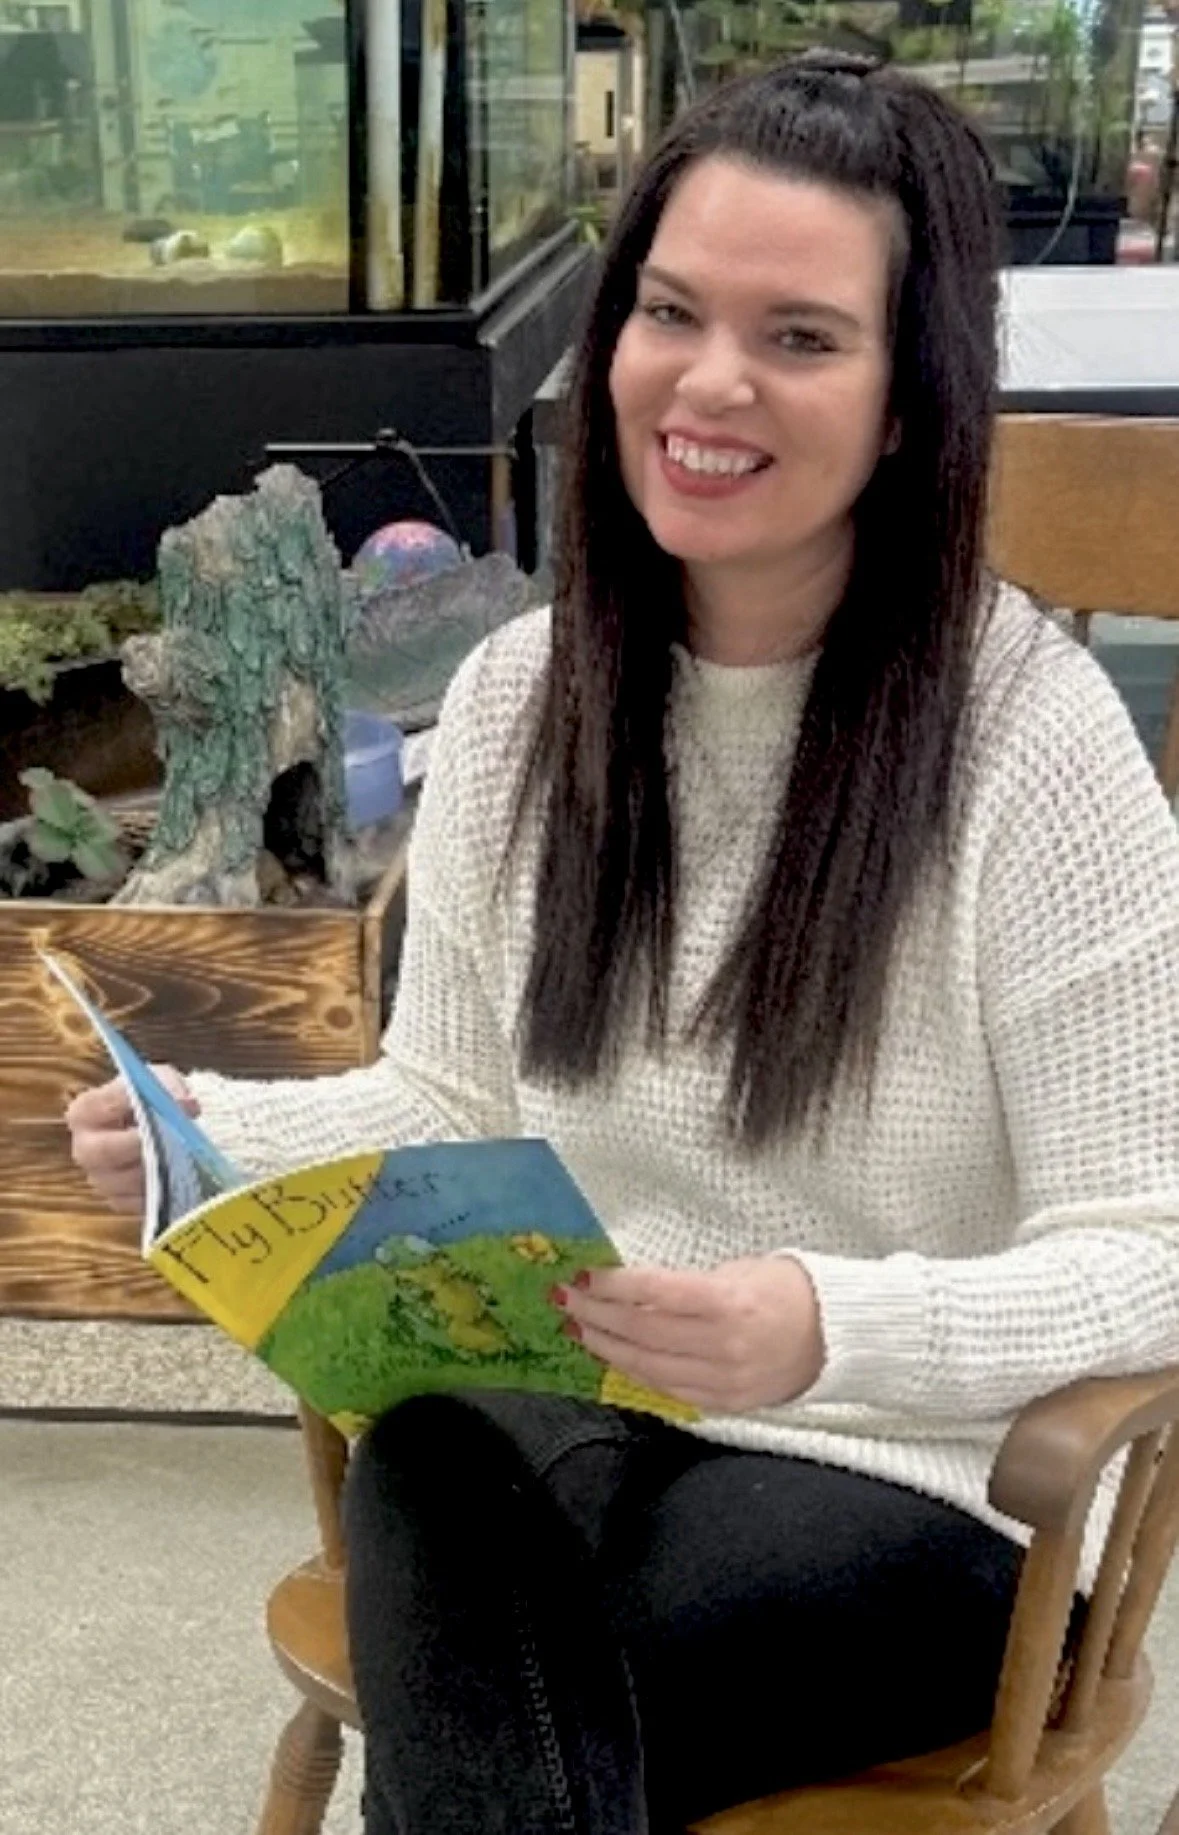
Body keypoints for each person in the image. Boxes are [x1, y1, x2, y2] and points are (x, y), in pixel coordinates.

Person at [66, 51, 1179, 1835]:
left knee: (493, 1627)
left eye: (802, 337)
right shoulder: (523, 696)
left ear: (907, 400)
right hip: (577, 1421)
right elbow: (449, 1097)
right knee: (442, 1461)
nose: (709, 382)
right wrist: (208, 1132)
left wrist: (821, 1323)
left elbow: (1154, 1247)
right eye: (670, 311)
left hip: (912, 1482)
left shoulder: (1028, 741)